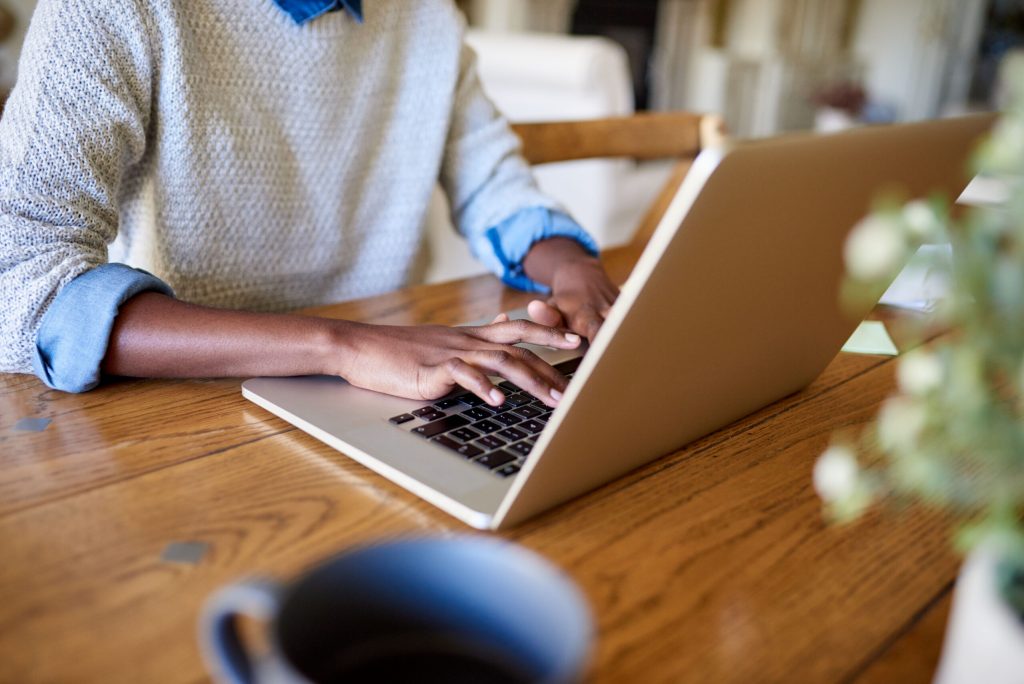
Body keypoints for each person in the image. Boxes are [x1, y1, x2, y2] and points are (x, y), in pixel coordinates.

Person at [0, 0, 620, 410]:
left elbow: (494, 185)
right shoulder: (112, 8)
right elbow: (19, 279)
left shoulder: (428, 15)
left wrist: (576, 271)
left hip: (387, 379)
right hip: (185, 394)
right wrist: (339, 346)